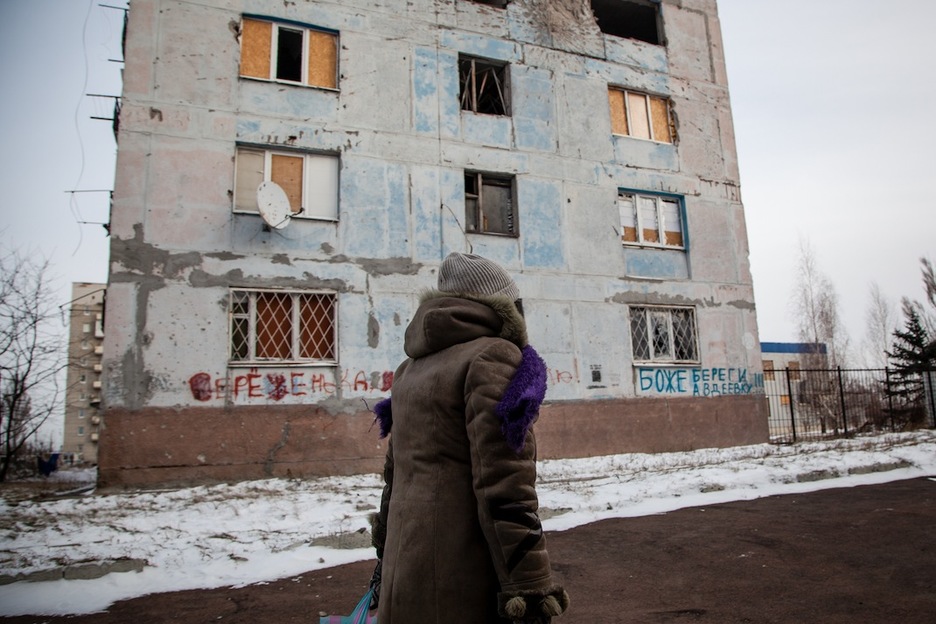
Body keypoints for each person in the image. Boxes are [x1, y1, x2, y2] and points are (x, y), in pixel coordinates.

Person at [370, 252, 569, 624]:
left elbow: (394, 477)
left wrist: (384, 551)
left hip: (407, 569)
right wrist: (529, 586)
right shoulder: (492, 357)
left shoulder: (410, 368)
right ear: (503, 305)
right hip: (461, 577)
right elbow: (505, 485)